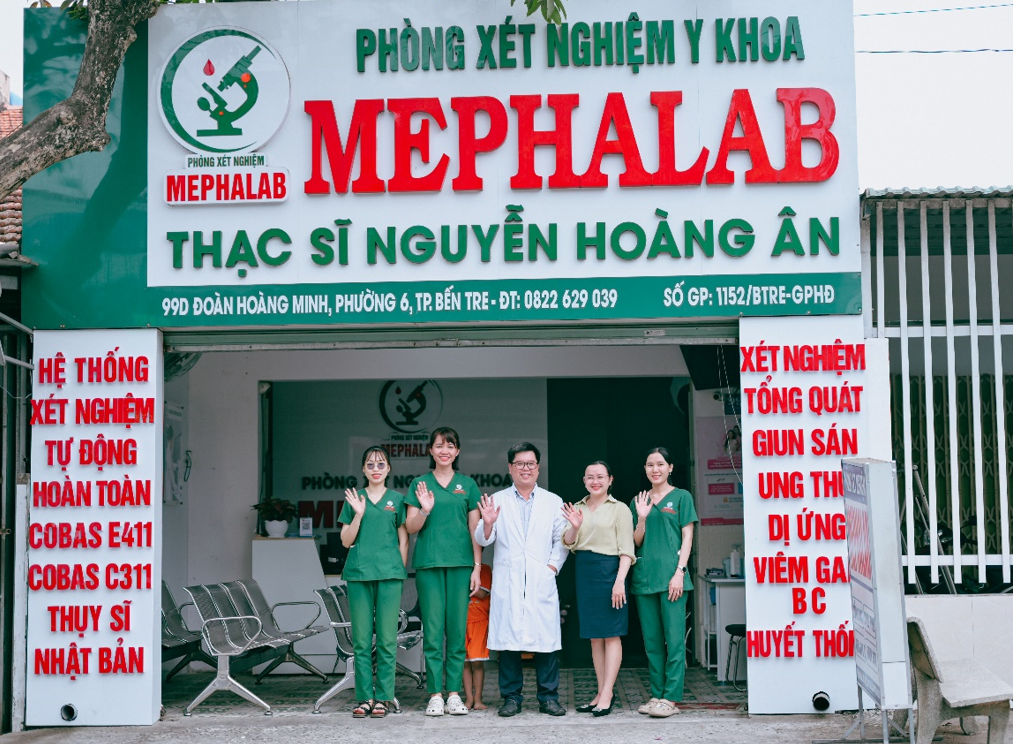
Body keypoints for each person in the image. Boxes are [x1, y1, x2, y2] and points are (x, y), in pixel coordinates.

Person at [475, 442, 569, 717]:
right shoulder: (497, 500)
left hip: (541, 579)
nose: (525, 468)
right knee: (508, 643)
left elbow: (562, 539)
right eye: (519, 464)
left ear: (538, 468)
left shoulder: (552, 501)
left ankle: (548, 698)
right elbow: (483, 538)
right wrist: (488, 522)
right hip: (509, 580)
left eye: (530, 464)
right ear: (510, 468)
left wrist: (552, 567)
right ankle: (511, 698)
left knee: (546, 641)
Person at [405, 427, 483, 717]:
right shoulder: (420, 484)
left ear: (457, 451)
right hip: (429, 564)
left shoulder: (468, 485)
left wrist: (477, 568)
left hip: (461, 565)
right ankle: (435, 694)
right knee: (434, 631)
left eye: (450, 446)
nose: (444, 451)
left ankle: (454, 693)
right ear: (431, 450)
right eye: (439, 445)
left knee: (457, 630)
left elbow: (475, 529)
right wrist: (424, 510)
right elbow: (410, 527)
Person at [338, 446, 408, 719]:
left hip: (389, 576)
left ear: (388, 468)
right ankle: (365, 696)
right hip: (359, 574)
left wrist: (398, 569)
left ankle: (384, 697)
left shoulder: (397, 500)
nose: (376, 469)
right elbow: (346, 541)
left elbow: (404, 539)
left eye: (381, 464)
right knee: (362, 641)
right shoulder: (354, 499)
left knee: (388, 640)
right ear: (363, 469)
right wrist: (358, 514)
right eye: (370, 464)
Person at [561, 460, 636, 717]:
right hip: (585, 570)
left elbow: (627, 550)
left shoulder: (620, 509)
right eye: (590, 477)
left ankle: (607, 693)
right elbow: (568, 542)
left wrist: (619, 581)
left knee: (612, 634)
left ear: (610, 480)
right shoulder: (578, 507)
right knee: (595, 636)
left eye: (600, 477)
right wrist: (574, 526)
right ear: (584, 480)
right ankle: (601, 691)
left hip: (611, 571)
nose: (595, 481)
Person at [630, 447, 698, 718]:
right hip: (645, 578)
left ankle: (671, 698)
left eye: (660, 464)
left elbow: (688, 537)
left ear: (670, 468)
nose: (655, 469)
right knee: (652, 643)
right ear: (645, 469)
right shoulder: (639, 500)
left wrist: (680, 572)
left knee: (674, 641)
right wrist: (642, 517)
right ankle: (657, 695)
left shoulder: (682, 497)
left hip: (673, 580)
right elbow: (636, 541)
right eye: (650, 465)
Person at [463, 563, 493, 710]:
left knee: (477, 662)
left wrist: (460, 584)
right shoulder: (460, 568)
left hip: (479, 621)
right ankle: (469, 699)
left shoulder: (485, 569)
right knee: (464, 663)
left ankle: (478, 699)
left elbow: (481, 593)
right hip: (461, 621)